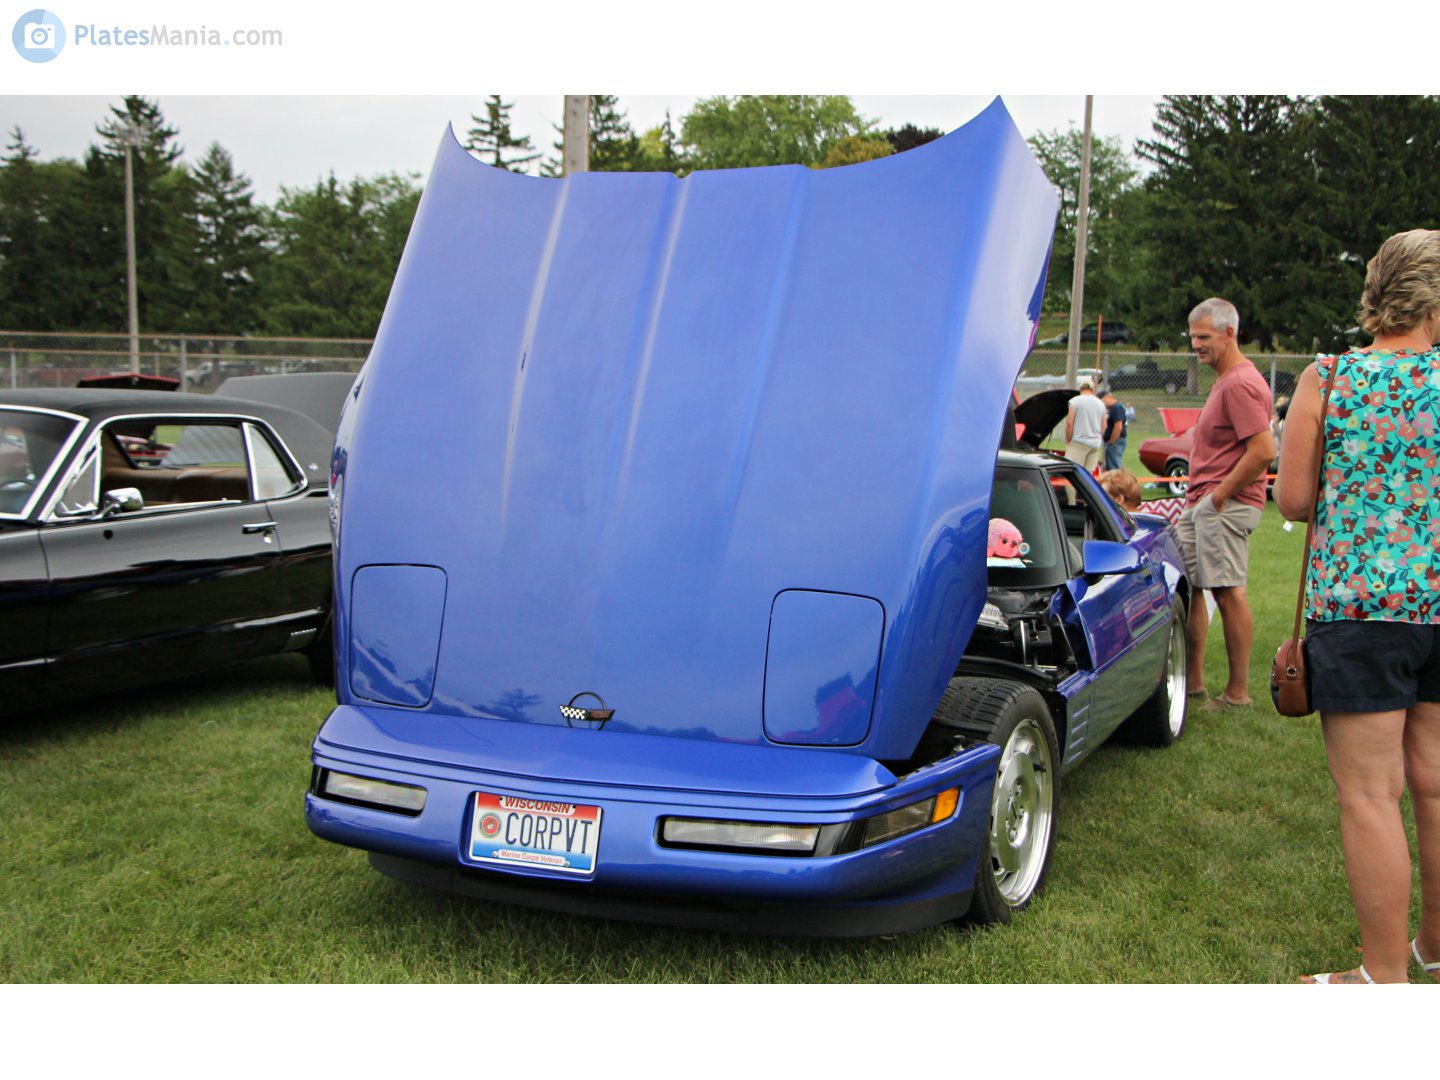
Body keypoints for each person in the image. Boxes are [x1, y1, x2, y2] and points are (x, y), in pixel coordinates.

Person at [1274, 228, 1440, 984]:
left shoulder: (1328, 379)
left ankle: (1382, 980)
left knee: (1372, 795)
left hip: (1362, 606)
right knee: (1435, 784)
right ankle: (1432, 949)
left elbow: (1296, 498)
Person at [1177, 298, 1276, 709]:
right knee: (1190, 589)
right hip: (1205, 503)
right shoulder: (1226, 378)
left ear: (1230, 332)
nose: (1196, 345)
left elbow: (1264, 449)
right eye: (1193, 336)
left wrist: (1218, 496)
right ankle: (1193, 684)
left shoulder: (1238, 382)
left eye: (1204, 337)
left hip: (1224, 504)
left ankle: (1238, 693)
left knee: (1228, 592)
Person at [1063, 377, 1107, 471]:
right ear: (1093, 390)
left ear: (1081, 389)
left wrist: (1068, 439)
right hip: (1095, 443)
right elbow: (1104, 425)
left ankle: (1070, 487)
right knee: (1088, 474)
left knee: (1072, 471)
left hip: (1079, 441)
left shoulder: (1075, 401)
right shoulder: (1100, 403)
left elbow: (1069, 423)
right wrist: (1098, 438)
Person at [1100, 387, 1128, 471]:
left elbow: (1118, 426)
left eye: (1101, 401)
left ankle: (1118, 483)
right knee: (1110, 466)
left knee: (1114, 467)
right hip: (1114, 441)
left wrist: (1112, 441)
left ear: (1107, 397)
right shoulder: (1113, 408)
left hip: (1116, 441)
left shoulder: (1117, 407)